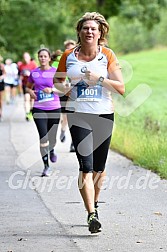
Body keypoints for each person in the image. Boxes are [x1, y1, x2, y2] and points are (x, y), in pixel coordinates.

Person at [53, 12, 125, 233]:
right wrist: (66, 89)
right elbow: (57, 81)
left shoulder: (107, 55)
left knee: (99, 169)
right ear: (79, 31)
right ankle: (91, 214)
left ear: (100, 32)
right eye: (85, 28)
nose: (89, 31)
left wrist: (98, 79)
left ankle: (94, 203)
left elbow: (121, 88)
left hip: (104, 115)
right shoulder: (68, 56)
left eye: (93, 28)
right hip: (78, 115)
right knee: (86, 166)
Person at [26, 48, 61, 177]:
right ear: (38, 58)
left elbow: (63, 89)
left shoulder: (55, 72)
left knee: (52, 138)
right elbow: (27, 87)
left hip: (54, 108)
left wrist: (51, 90)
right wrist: (30, 92)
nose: (42, 58)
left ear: (48, 58)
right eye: (40, 56)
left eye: (45, 56)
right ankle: (46, 166)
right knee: (43, 137)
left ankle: (51, 151)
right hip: (39, 108)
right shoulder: (34, 73)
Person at [59, 40, 76, 152]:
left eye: (72, 48)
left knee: (75, 119)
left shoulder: (78, 61)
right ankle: (63, 130)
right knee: (65, 117)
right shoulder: (60, 61)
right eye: (68, 49)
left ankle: (73, 143)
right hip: (63, 93)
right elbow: (54, 78)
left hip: (76, 94)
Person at [18, 52, 37, 121]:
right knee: (26, 98)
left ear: (29, 57)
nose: (25, 58)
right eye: (24, 57)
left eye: (27, 57)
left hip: (33, 84)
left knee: (32, 99)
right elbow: (19, 75)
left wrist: (30, 74)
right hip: (25, 84)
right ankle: (27, 113)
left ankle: (31, 112)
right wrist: (20, 81)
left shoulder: (33, 64)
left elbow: (37, 74)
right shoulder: (21, 65)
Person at [0, 55, 5, 121]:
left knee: (0, 99)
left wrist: (1, 77)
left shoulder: (2, 66)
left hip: (0, 84)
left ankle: (1, 113)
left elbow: (5, 74)